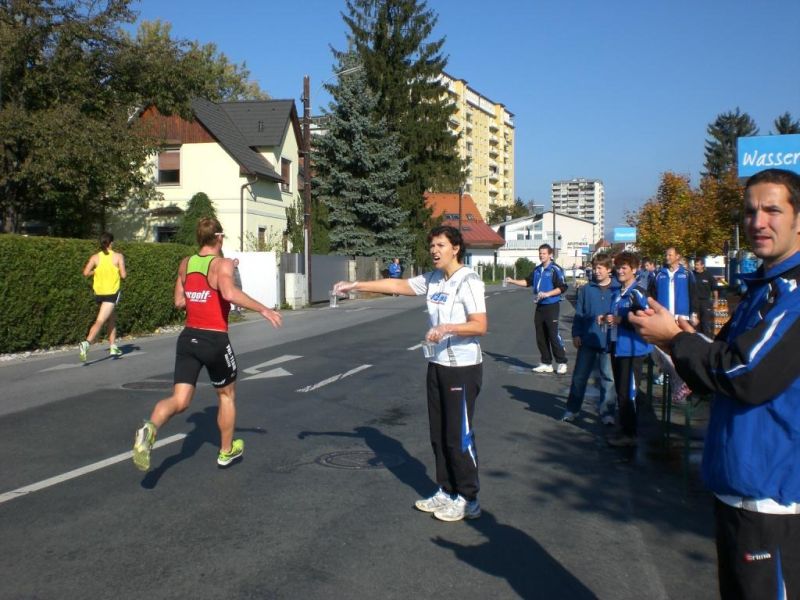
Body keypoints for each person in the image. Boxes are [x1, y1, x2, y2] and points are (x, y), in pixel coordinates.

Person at [630, 169, 800, 599]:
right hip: (739, 488)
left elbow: (746, 374)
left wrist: (676, 338)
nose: (758, 222)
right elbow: (722, 361)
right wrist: (683, 339)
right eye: (750, 211)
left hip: (772, 498)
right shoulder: (766, 289)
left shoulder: (794, 294)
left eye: (772, 210)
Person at [334, 225, 487, 523]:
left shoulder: (468, 280)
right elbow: (398, 286)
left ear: (455, 248)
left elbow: (480, 325)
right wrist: (356, 286)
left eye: (440, 245)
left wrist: (447, 328)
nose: (434, 250)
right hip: (438, 365)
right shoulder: (433, 279)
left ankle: (469, 498)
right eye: (431, 245)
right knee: (439, 434)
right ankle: (446, 490)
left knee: (458, 436)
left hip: (463, 369)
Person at [132, 218, 282, 472]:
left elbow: (179, 301)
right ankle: (225, 452)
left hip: (188, 338)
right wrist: (263, 309)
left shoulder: (185, 264)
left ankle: (150, 428)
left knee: (179, 400)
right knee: (226, 395)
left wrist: (201, 293)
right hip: (214, 340)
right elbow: (229, 294)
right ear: (219, 238)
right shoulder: (221, 264)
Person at [561, 253, 618, 425]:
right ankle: (572, 409)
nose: (596, 271)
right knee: (579, 377)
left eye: (600, 268)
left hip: (608, 341)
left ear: (609, 270)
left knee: (608, 378)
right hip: (587, 340)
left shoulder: (617, 289)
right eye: (595, 268)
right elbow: (579, 314)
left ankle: (607, 412)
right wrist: (576, 334)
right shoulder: (586, 290)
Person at [605, 252, 652, 447]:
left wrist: (620, 320)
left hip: (633, 349)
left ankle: (630, 434)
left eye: (624, 267)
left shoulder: (637, 292)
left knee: (628, 393)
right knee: (621, 391)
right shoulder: (618, 292)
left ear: (634, 270)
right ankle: (624, 428)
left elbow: (644, 319)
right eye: (618, 267)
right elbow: (615, 315)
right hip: (618, 346)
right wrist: (607, 318)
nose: (620, 271)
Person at [506, 244, 568, 374]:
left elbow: (562, 287)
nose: (541, 255)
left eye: (544, 253)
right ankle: (546, 363)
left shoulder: (555, 269)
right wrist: (512, 281)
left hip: (552, 305)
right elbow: (528, 282)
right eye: (540, 253)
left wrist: (547, 294)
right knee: (540, 335)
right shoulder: (537, 270)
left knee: (553, 334)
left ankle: (561, 362)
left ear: (550, 255)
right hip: (540, 306)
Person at [79, 232, 127, 361]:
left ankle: (113, 346)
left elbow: (85, 272)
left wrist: (96, 271)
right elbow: (123, 275)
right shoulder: (118, 256)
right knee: (100, 320)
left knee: (111, 318)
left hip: (99, 293)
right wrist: (117, 269)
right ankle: (86, 343)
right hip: (111, 293)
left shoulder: (95, 257)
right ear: (111, 243)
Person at [692, 257, 718, 337]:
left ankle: (707, 340)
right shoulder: (692, 274)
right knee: (695, 323)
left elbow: (714, 289)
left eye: (697, 265)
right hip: (694, 302)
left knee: (705, 322)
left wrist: (715, 301)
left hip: (705, 302)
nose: (696, 266)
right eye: (695, 265)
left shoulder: (708, 275)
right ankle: (697, 339)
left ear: (702, 265)